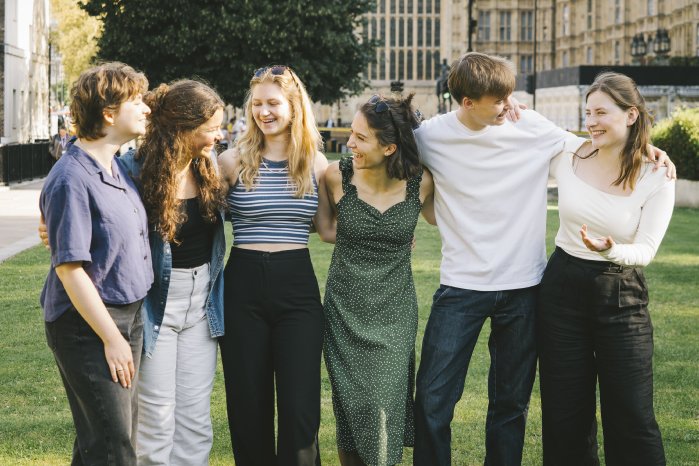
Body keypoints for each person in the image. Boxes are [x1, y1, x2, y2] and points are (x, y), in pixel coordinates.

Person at [412, 52, 673, 466]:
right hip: (460, 285)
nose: (508, 104)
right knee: (431, 398)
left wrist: (649, 148)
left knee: (510, 404)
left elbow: (594, 145)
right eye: (499, 98)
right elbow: (384, 152)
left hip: (524, 288)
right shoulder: (429, 137)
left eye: (509, 95)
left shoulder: (529, 125)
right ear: (466, 103)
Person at [537, 72, 674, 465]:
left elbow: (646, 249)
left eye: (601, 112)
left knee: (631, 411)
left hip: (621, 295)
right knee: (565, 413)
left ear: (631, 115)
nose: (591, 121)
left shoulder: (657, 174)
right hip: (561, 290)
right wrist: (510, 105)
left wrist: (614, 251)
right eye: (587, 112)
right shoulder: (570, 153)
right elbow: (528, 123)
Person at [217, 65, 333, 466]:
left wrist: (390, 227)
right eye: (257, 104)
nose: (263, 112)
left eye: (273, 103)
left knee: (301, 408)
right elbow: (196, 216)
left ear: (294, 106)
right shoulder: (231, 162)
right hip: (241, 288)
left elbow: (328, 230)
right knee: (248, 405)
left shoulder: (317, 165)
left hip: (297, 290)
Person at [39, 62, 152, 464]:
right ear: (108, 113)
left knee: (101, 441)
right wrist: (112, 338)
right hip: (90, 326)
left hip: (128, 316)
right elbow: (70, 270)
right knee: (114, 447)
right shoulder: (71, 177)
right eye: (136, 100)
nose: (145, 108)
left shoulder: (114, 167)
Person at [119, 80, 227, 465]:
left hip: (202, 303)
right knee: (156, 419)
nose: (219, 134)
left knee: (196, 419)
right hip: (156, 305)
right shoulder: (132, 169)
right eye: (212, 127)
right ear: (184, 126)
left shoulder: (209, 166)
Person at [323, 93, 434, 466]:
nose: (349, 142)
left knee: (381, 405)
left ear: (389, 148)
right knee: (350, 408)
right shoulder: (333, 176)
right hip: (343, 309)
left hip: (393, 311)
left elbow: (446, 217)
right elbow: (324, 230)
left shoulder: (422, 182)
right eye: (352, 133)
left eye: (360, 137)